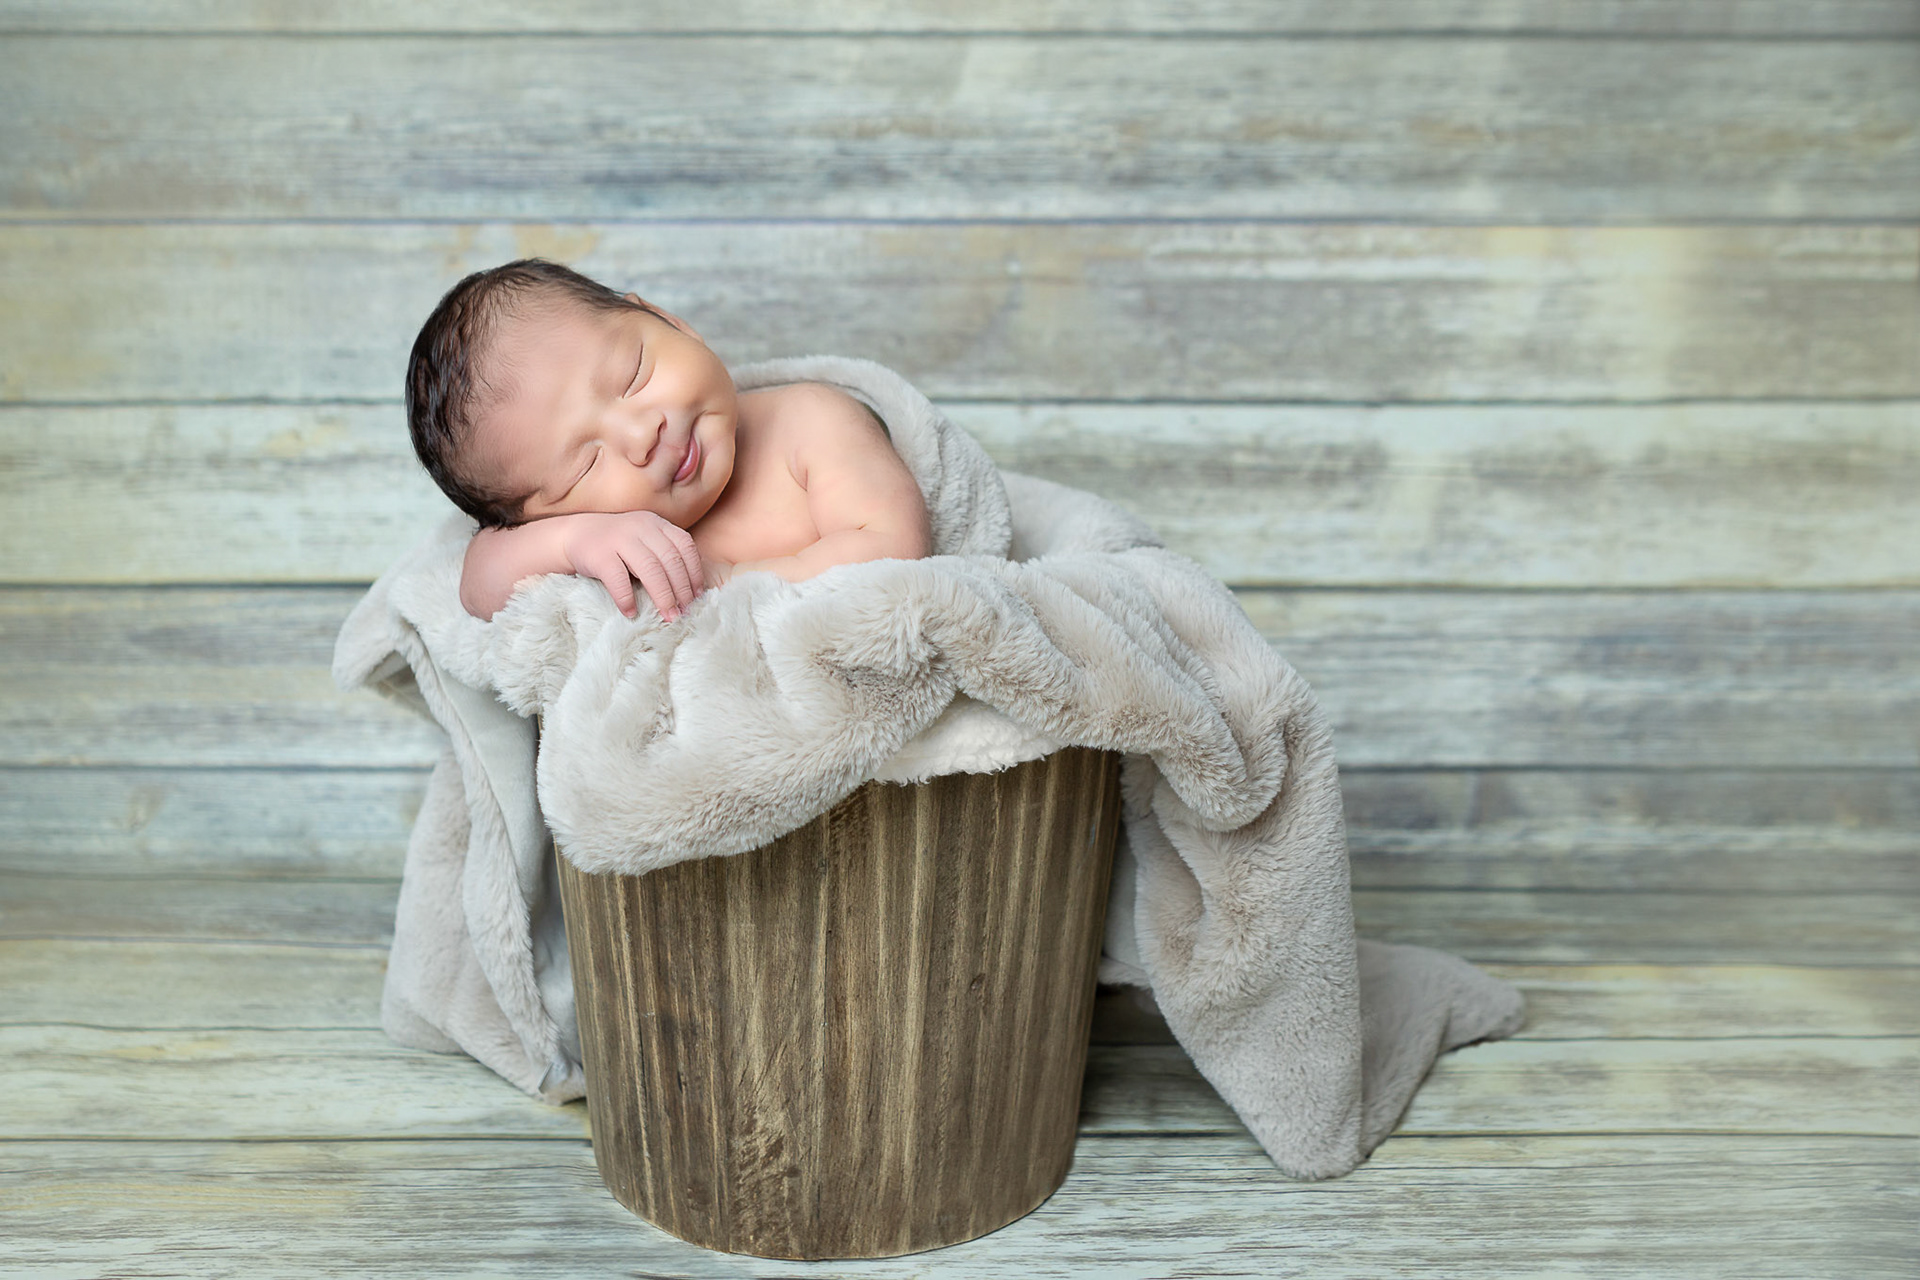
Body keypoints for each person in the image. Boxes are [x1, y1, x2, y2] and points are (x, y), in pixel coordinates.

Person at [405, 259, 933, 622]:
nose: (641, 434)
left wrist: (730, 582)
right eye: (585, 468)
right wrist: (575, 542)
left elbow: (896, 550)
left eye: (632, 374)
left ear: (667, 320)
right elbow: (478, 586)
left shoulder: (810, 420)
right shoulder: (598, 538)